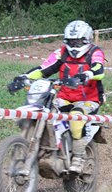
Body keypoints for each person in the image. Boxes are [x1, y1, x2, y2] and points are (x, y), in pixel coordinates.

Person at [11, 20, 106, 173]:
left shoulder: (95, 52)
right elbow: (44, 69)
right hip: (65, 97)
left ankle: (78, 158)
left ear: (86, 40)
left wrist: (87, 74)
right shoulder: (61, 52)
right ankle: (48, 147)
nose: (74, 46)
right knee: (44, 112)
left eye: (78, 42)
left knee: (76, 118)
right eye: (71, 42)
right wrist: (24, 76)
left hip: (89, 99)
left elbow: (99, 70)